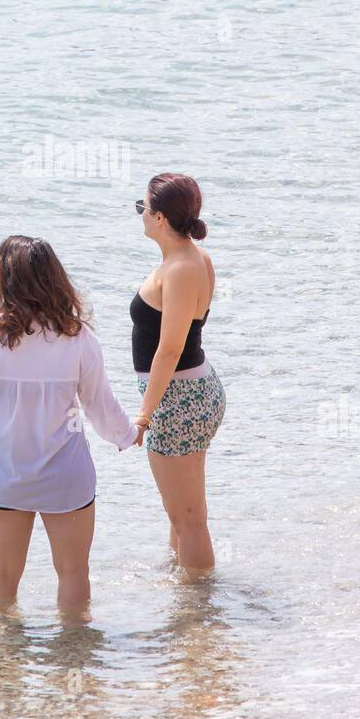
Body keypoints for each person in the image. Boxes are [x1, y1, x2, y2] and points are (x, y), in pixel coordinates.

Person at [0, 234, 140, 614]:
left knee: (3, 576)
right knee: (73, 572)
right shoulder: (78, 339)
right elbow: (99, 405)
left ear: (6, 280)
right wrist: (128, 433)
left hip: (6, 474)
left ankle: (4, 662)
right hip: (66, 475)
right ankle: (73, 659)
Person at [131, 174, 227, 577]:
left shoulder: (183, 268)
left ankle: (199, 614)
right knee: (182, 513)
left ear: (158, 217)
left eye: (142, 208)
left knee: (189, 519)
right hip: (189, 394)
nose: (139, 215)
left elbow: (170, 348)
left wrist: (144, 415)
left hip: (179, 400)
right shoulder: (188, 260)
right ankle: (181, 590)